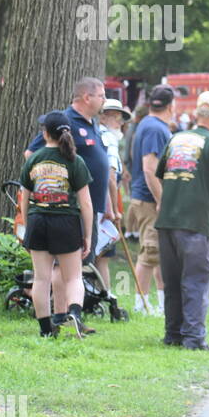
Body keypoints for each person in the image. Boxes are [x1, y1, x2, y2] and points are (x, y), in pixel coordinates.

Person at [155, 90, 209, 350]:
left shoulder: (176, 138)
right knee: (195, 282)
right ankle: (193, 339)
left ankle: (173, 335)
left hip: (167, 222)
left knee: (172, 281)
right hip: (196, 224)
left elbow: (161, 176)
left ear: (197, 114)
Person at [25, 77, 113, 324]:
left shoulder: (92, 123)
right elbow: (32, 154)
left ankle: (63, 316)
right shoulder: (64, 123)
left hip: (91, 205)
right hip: (69, 210)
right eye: (101, 95)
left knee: (74, 267)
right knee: (63, 268)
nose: (104, 100)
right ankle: (62, 315)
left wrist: (108, 205)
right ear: (87, 97)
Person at [18, 111, 93, 338]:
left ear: (45, 133)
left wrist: (28, 224)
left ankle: (45, 329)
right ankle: (74, 313)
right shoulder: (74, 161)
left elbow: (24, 198)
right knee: (73, 277)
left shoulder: (33, 158)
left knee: (41, 278)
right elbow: (86, 203)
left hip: (38, 220)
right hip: (66, 221)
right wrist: (87, 235)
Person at [126, 85, 175, 315]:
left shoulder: (147, 124)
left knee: (158, 253)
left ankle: (163, 304)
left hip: (144, 197)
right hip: (149, 200)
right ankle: (141, 306)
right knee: (149, 254)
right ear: (171, 105)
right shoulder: (156, 129)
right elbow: (149, 168)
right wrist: (161, 199)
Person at [96, 98, 131, 291]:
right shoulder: (108, 138)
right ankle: (104, 295)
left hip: (96, 201)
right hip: (104, 203)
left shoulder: (97, 134)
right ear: (104, 116)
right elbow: (110, 177)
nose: (120, 123)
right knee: (104, 253)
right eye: (117, 117)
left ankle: (99, 294)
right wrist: (114, 209)